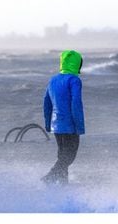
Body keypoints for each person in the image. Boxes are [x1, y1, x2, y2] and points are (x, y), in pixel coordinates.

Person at [42, 50, 85, 185]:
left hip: (57, 126)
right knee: (69, 156)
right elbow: (76, 103)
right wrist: (79, 126)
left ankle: (63, 186)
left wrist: (48, 124)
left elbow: (46, 103)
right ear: (77, 64)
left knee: (62, 156)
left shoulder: (53, 80)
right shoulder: (74, 80)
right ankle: (50, 176)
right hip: (69, 125)